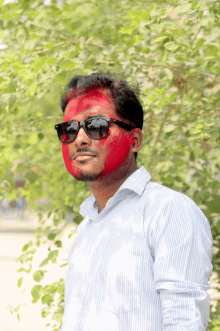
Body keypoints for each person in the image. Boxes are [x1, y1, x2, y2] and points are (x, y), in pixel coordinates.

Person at [55, 73, 213, 331]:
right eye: (69, 130)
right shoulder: (87, 227)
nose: (80, 139)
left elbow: (184, 323)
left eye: (96, 126)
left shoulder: (168, 211)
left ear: (135, 140)